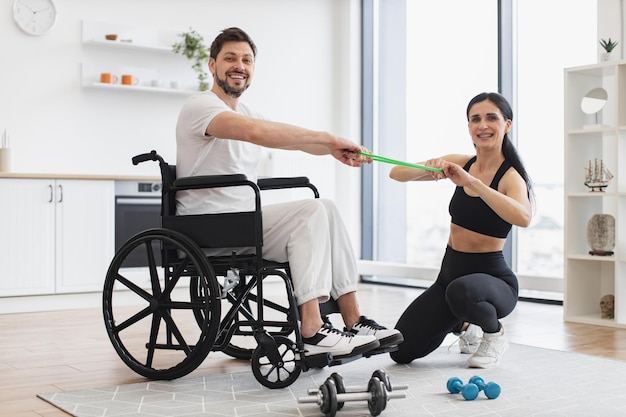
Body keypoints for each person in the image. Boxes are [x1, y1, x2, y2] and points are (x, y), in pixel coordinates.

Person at [175, 27, 403, 360]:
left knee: (325, 207)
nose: (239, 65)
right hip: (208, 225)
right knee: (309, 212)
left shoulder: (248, 112)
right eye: (230, 58)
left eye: (246, 60)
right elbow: (258, 134)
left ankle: (354, 320)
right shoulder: (201, 106)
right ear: (212, 65)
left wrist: (333, 150)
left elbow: (289, 139)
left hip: (242, 223)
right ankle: (311, 328)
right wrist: (328, 137)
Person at [388, 92, 533, 368]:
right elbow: (396, 173)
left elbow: (523, 217)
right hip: (449, 278)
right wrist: (429, 167)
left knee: (462, 292)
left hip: (493, 283)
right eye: (475, 119)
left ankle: (493, 333)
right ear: (468, 126)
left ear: (507, 124)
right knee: (401, 351)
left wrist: (473, 182)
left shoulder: (511, 176)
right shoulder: (460, 162)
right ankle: (467, 325)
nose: (483, 125)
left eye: (492, 118)